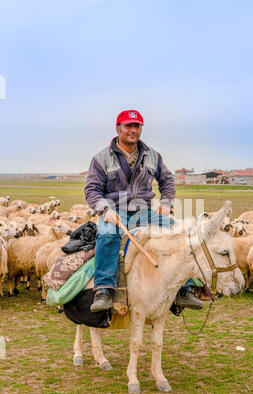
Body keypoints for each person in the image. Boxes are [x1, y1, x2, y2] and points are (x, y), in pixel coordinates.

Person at [84, 110, 203, 315]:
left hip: (144, 211)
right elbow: (92, 189)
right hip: (115, 211)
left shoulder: (153, 156)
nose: (133, 130)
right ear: (118, 128)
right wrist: (104, 210)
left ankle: (186, 288)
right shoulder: (102, 158)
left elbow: (167, 181)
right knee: (106, 234)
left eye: (137, 126)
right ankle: (104, 290)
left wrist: (166, 202)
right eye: (128, 126)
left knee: (178, 232)